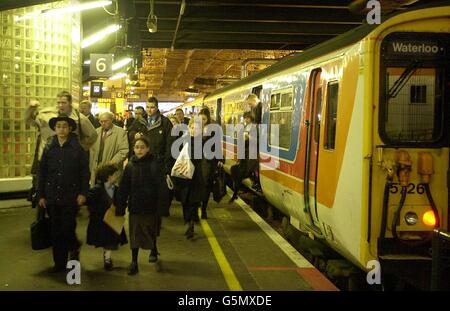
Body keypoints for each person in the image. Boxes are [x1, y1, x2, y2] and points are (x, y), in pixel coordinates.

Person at [37, 116, 90, 272]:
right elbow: (42, 172)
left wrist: (83, 193)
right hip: (52, 195)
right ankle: (59, 263)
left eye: (64, 126)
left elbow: (84, 173)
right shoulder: (49, 147)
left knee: (67, 228)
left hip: (70, 196)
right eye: (58, 126)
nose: (61, 129)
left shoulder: (77, 148)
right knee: (55, 231)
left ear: (70, 129)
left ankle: (73, 250)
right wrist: (41, 194)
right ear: (55, 129)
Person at [115, 137, 170, 275]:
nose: (139, 150)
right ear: (133, 149)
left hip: (151, 206)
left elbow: (162, 187)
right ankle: (134, 262)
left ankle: (153, 249)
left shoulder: (154, 164)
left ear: (148, 149)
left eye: (142, 147)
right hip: (135, 206)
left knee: (151, 230)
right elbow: (124, 187)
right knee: (134, 234)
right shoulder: (130, 166)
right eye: (137, 147)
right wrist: (120, 206)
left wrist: (163, 207)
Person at [86, 163, 127, 271]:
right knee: (106, 240)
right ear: (108, 176)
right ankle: (107, 258)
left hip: (112, 219)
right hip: (101, 220)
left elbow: (121, 202)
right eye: (114, 175)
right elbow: (89, 202)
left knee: (111, 242)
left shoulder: (117, 189)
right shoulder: (97, 190)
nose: (117, 176)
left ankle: (107, 258)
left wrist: (120, 210)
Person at [89, 111, 129, 185]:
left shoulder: (120, 132)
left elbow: (123, 151)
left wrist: (110, 165)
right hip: (97, 170)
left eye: (106, 121)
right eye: (101, 121)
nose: (103, 123)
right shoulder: (96, 132)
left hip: (112, 171)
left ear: (111, 120)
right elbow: (92, 151)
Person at [229, 111, 258, 202]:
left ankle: (235, 193)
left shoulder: (255, 127)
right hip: (245, 154)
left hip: (251, 154)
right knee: (234, 170)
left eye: (247, 118)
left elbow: (257, 141)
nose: (246, 119)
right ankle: (235, 192)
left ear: (251, 118)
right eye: (245, 118)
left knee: (238, 172)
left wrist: (248, 137)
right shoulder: (246, 127)